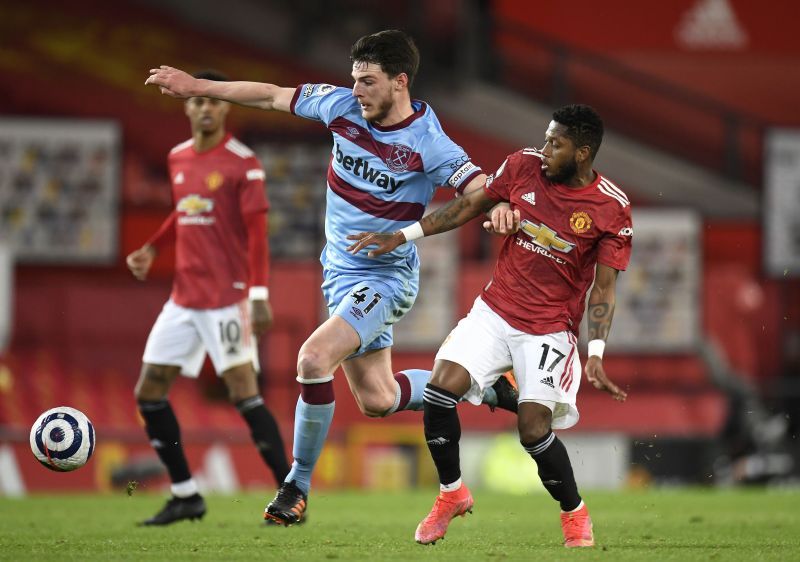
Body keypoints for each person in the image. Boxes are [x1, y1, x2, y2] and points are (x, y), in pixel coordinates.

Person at [145, 30, 519, 526]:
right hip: (339, 272)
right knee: (379, 399)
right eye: (355, 80)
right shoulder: (340, 106)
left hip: (385, 278)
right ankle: (490, 386)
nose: (357, 90)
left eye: (368, 81)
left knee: (312, 358)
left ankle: (295, 488)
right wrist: (198, 85)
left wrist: (501, 207)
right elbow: (272, 96)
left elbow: (476, 185)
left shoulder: (426, 141)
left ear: (399, 82)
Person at [347, 104, 631, 547]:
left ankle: (574, 512)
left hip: (548, 329)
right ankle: (451, 494)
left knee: (533, 429)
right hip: (495, 311)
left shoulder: (611, 208)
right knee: (441, 391)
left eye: (556, 144)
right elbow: (467, 206)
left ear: (583, 152)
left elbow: (604, 290)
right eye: (546, 137)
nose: (546, 148)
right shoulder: (523, 165)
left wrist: (595, 354)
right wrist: (401, 236)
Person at [128, 70, 290, 526]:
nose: (204, 108)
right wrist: (153, 248)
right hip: (183, 299)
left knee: (245, 395)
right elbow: (183, 212)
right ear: (187, 108)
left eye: (211, 101)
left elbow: (257, 236)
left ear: (224, 107)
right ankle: (185, 495)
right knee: (149, 392)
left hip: (227, 299)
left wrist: (258, 294)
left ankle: (290, 494)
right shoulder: (178, 157)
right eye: (196, 101)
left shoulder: (243, 163)